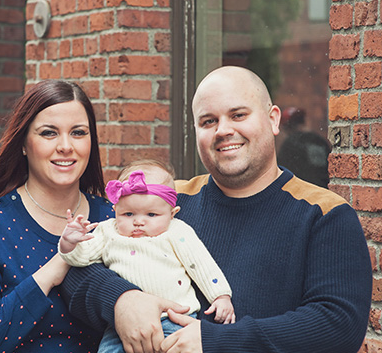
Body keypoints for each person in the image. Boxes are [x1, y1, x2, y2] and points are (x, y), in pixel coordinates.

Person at [61, 66, 372, 353]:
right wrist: (121, 300)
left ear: (273, 119)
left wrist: (216, 342)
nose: (223, 130)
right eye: (208, 121)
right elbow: (77, 268)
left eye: (238, 115)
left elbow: (338, 325)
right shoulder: (166, 203)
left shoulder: (324, 214)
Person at [0, 80, 115, 353]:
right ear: (23, 144)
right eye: (49, 133)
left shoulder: (114, 219)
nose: (65, 146)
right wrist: (54, 269)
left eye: (78, 133)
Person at [58, 161, 234, 353]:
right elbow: (81, 260)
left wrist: (220, 296)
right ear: (115, 210)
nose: (139, 221)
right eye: (128, 213)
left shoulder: (177, 231)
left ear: (171, 213)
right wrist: (70, 243)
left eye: (151, 214)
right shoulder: (108, 231)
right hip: (122, 325)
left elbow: (200, 264)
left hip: (175, 319)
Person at [277, 106, 331, 188]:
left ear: (287, 128)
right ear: (305, 121)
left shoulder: (290, 144)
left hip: (300, 192)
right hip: (322, 192)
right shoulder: (320, 141)